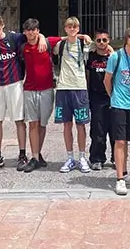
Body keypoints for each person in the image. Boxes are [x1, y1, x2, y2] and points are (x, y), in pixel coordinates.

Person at [0, 15, 45, 172]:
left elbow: (31, 34)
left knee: (19, 120)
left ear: (3, 25)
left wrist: (41, 38)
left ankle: (22, 154)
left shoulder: (14, 38)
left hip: (15, 83)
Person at [104, 27, 130, 196]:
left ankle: (125, 172)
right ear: (125, 38)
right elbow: (107, 80)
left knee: (126, 140)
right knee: (119, 141)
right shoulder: (116, 56)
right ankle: (119, 179)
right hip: (119, 104)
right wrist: (113, 96)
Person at [53, 17, 92, 173]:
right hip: (63, 87)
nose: (72, 29)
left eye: (75, 26)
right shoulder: (60, 45)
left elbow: (104, 47)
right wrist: (70, 37)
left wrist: (83, 37)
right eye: (69, 26)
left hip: (80, 87)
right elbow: (48, 42)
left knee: (81, 124)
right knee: (66, 124)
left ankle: (82, 157)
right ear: (65, 28)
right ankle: (70, 157)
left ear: (78, 28)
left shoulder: (85, 44)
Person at [20, 18, 54, 172]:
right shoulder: (22, 47)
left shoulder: (47, 43)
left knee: (42, 124)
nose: (31, 32)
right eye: (28, 30)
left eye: (34, 30)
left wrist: (84, 37)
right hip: (30, 89)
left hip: (46, 89)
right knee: (33, 123)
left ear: (38, 31)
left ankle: (38, 153)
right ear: (24, 32)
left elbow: (69, 36)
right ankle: (34, 156)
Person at [86, 28, 115, 170]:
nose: (102, 43)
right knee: (97, 129)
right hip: (96, 96)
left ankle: (117, 158)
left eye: (104, 40)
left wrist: (112, 52)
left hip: (112, 96)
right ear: (95, 41)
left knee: (115, 129)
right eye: (99, 40)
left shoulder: (114, 57)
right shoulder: (91, 57)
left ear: (109, 41)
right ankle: (97, 158)